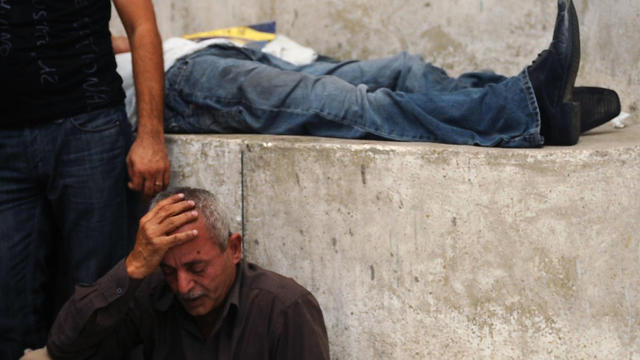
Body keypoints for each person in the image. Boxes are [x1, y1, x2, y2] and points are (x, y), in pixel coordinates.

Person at [118, 0, 619, 148]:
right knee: (342, 103)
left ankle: (543, 105)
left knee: (403, 69)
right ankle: (526, 109)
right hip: (181, 87)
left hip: (206, 51)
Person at [0, 0, 170, 357]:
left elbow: (142, 28)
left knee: (100, 290)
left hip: (89, 128)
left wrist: (151, 136)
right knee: (8, 303)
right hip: (7, 142)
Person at [41, 187, 330, 359]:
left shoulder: (285, 308)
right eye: (168, 271)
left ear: (234, 248)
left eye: (197, 268)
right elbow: (64, 346)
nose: (183, 286)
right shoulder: (154, 294)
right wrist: (133, 268)